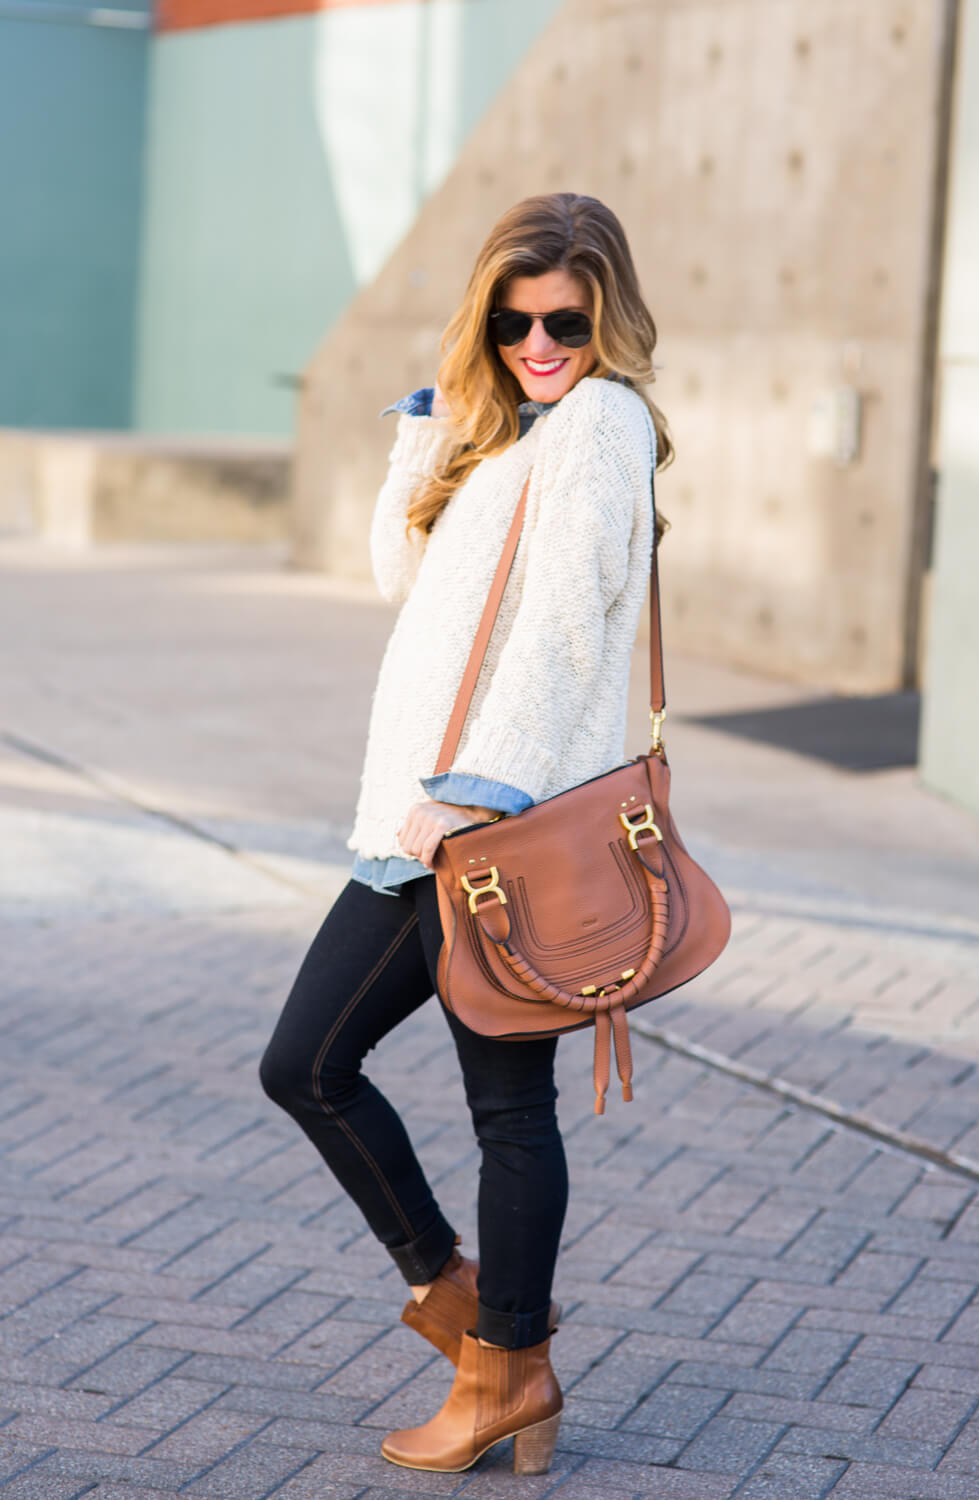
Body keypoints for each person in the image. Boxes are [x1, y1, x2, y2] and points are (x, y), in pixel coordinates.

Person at [259, 191, 673, 1476]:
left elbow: (560, 626)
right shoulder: (521, 433)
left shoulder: (601, 422)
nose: (539, 341)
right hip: (425, 822)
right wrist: (424, 442)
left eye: (564, 319)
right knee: (320, 1070)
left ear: (605, 315)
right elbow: (408, 584)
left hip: (487, 821)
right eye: (511, 322)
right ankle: (481, 1322)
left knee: (460, 1098)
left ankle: (502, 1365)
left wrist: (480, 793)